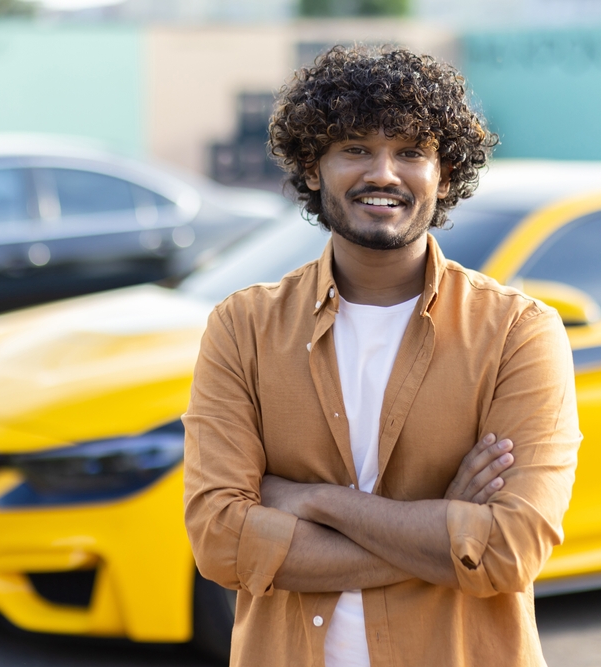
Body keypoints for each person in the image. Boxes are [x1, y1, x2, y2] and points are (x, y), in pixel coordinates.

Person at [183, 45, 580, 667]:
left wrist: (314, 501)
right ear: (312, 168)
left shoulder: (518, 332)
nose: (384, 174)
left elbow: (509, 549)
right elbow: (219, 542)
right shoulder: (243, 328)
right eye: (356, 148)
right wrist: (444, 528)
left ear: (445, 174)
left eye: (411, 152)